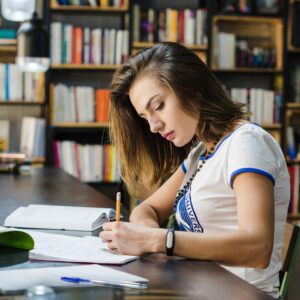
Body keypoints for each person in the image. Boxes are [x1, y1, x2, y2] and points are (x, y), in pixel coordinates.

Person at [100, 42, 290, 298]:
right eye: (145, 117)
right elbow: (148, 209)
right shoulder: (201, 154)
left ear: (192, 89)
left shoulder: (247, 143)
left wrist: (157, 240)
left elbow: (258, 248)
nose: (154, 126)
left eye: (158, 106)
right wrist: (146, 234)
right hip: (197, 289)